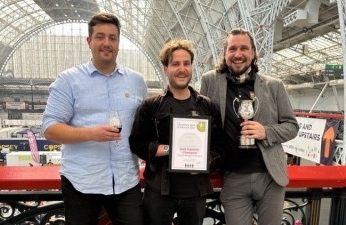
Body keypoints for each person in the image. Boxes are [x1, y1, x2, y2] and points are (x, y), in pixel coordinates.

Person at [41, 12, 147, 225]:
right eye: (100, 36)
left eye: (112, 37)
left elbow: (144, 126)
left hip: (125, 181)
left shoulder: (136, 81)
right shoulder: (68, 80)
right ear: (88, 41)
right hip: (81, 182)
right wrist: (90, 133)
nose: (106, 43)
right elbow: (49, 128)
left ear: (118, 43)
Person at [200, 28, 299, 225]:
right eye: (232, 49)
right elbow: (202, 123)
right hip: (234, 177)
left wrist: (266, 132)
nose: (238, 54)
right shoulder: (209, 81)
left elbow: (292, 126)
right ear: (225, 53)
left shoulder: (274, 85)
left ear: (253, 53)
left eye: (244, 48)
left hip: (270, 177)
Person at [129, 39, 223, 225]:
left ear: (191, 67)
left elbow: (219, 147)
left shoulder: (207, 106)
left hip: (195, 192)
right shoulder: (151, 106)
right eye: (175, 64)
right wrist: (170, 150)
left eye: (186, 63)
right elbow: (136, 143)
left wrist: (205, 163)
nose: (182, 69)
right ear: (166, 69)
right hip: (159, 191)